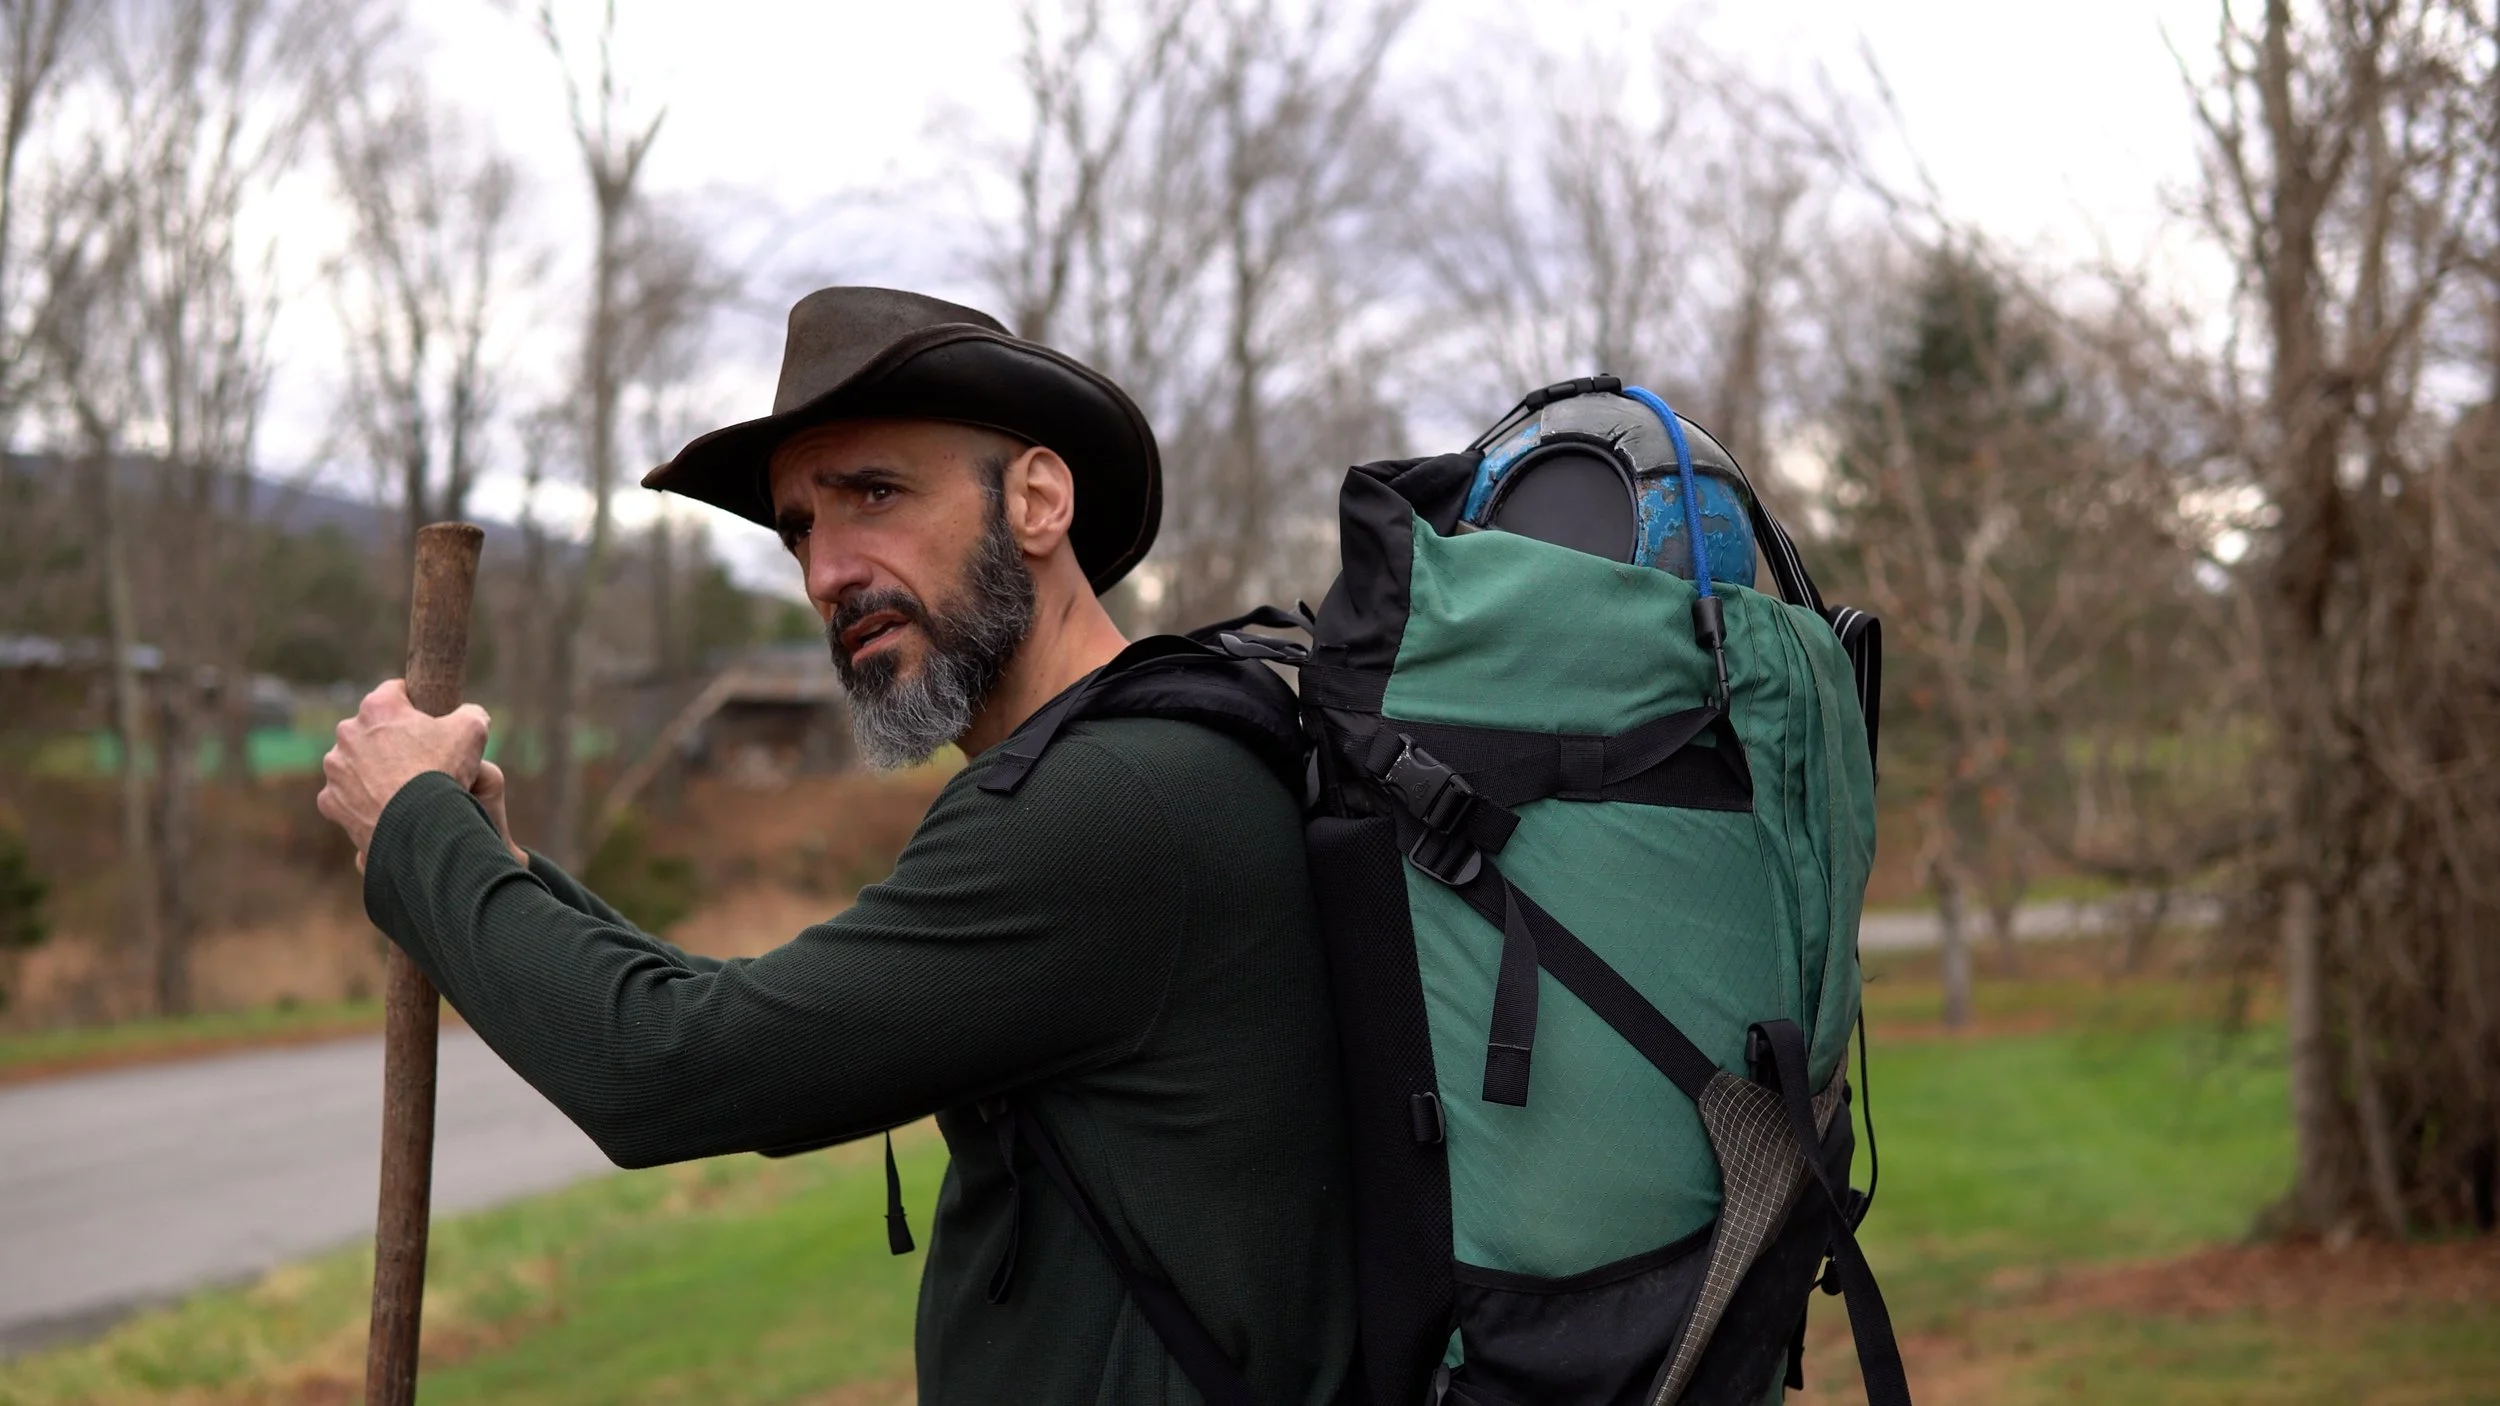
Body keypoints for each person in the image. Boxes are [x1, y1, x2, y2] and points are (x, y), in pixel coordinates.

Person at [315, 287, 1358, 1405]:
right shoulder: (1139, 761)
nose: (825, 573)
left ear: (1037, 500)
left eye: (875, 492)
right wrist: (500, 871)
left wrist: (414, 831)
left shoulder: (1114, 802)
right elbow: (735, 1013)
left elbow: (669, 1066)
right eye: (801, 525)